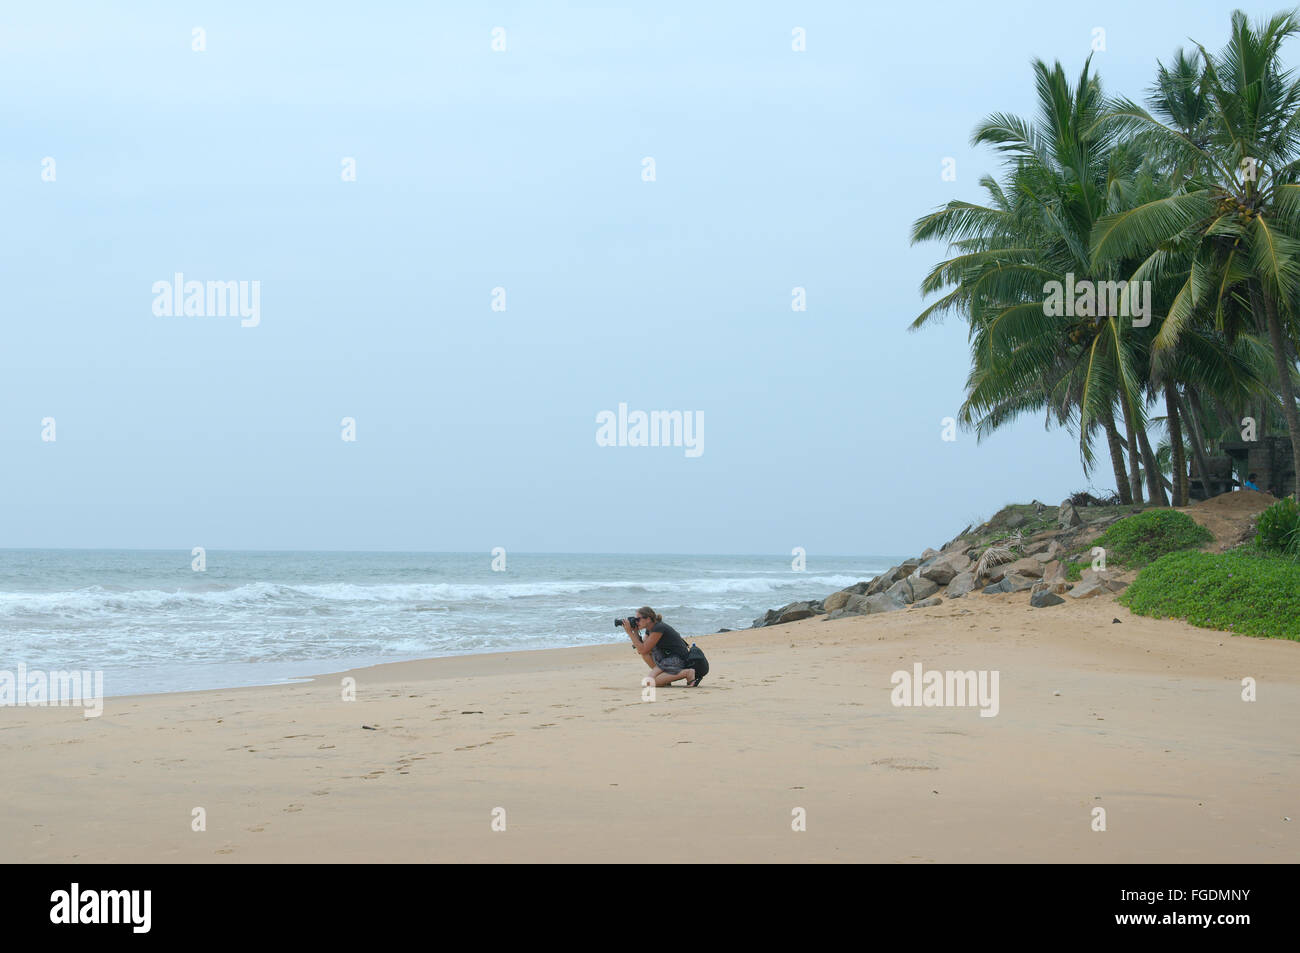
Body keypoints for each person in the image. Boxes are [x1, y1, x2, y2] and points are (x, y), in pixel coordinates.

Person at [622, 607, 703, 687]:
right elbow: (641, 650)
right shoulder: (650, 628)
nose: (636, 622)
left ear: (648, 619)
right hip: (667, 659)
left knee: (649, 682)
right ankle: (665, 679)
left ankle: (687, 672)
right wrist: (635, 631)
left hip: (677, 659)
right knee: (645, 654)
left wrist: (629, 632)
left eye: (638, 619)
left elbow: (642, 649)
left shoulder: (659, 628)